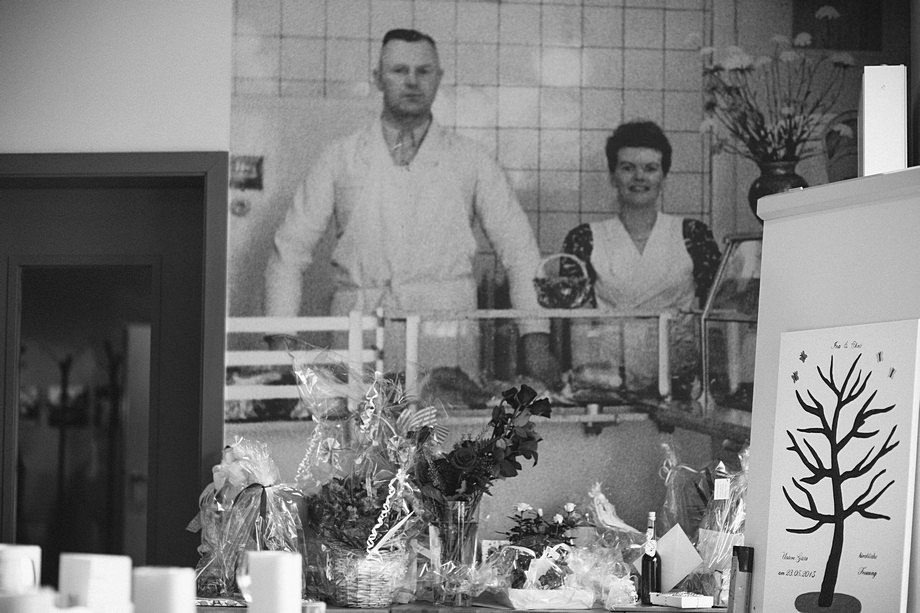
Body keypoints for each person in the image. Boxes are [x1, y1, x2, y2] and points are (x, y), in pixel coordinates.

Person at [265, 28, 560, 387]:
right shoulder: (339, 157)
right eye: (399, 70)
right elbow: (289, 248)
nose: (412, 82)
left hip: (445, 333)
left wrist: (535, 336)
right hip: (360, 331)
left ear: (439, 78)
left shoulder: (472, 160)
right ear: (378, 78)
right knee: (360, 421)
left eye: (423, 71)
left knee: (445, 421)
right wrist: (280, 339)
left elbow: (520, 251)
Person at [560, 120, 721, 396]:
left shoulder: (694, 235)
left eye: (650, 168)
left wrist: (713, 385)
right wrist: (587, 385)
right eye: (627, 168)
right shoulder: (584, 239)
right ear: (613, 176)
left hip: (679, 388)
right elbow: (578, 325)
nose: (639, 177)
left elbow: (715, 315)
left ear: (663, 177)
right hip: (608, 386)